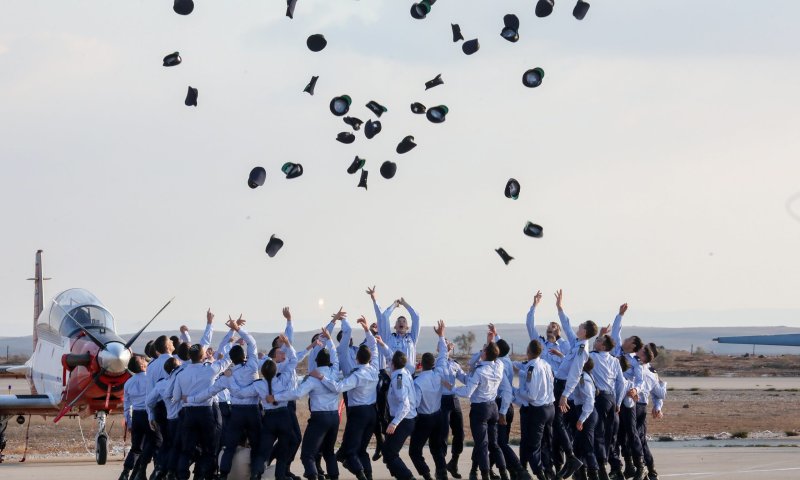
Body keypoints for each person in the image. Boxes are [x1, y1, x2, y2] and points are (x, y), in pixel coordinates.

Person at [185, 319, 260, 480]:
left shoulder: (228, 376)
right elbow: (252, 342)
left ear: (231, 360)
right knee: (256, 444)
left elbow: (209, 392)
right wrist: (238, 329)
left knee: (230, 445)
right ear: (245, 355)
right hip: (253, 410)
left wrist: (190, 398)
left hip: (237, 413)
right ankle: (254, 473)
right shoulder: (253, 365)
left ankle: (224, 474)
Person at [271, 316, 344, 480]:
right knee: (329, 452)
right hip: (334, 418)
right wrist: (331, 340)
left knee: (307, 455)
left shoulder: (313, 378)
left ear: (316, 361)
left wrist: (275, 396)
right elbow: (335, 356)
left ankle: (312, 476)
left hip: (320, 418)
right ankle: (334, 477)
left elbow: (296, 394)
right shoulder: (334, 371)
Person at [314, 316, 379, 480]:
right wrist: (364, 329)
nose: (349, 338)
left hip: (357, 405)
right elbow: (374, 348)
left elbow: (338, 387)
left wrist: (322, 378)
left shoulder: (357, 373)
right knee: (358, 446)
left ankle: (356, 468)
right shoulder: (374, 367)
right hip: (370, 408)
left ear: (358, 357)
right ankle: (349, 460)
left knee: (352, 446)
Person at [172, 322, 234, 480]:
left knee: (186, 449)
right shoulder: (210, 370)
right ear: (203, 356)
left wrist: (187, 398)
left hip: (188, 413)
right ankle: (200, 476)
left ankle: (181, 475)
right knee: (209, 449)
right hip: (206, 412)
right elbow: (227, 359)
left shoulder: (181, 374)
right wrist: (233, 333)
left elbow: (175, 397)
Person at [552, 290, 598, 480]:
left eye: (581, 327)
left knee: (557, 421)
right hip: (560, 384)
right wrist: (560, 308)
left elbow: (575, 373)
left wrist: (565, 394)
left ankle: (572, 459)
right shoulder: (577, 343)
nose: (577, 328)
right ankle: (572, 460)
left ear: (585, 331)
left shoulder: (582, 349)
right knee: (558, 423)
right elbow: (567, 327)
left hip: (564, 386)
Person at [445, 338, 505, 480]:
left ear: (485, 354)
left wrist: (452, 388)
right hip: (493, 408)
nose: (480, 351)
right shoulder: (499, 365)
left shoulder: (480, 371)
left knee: (482, 445)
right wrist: (489, 346)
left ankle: (484, 475)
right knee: (494, 444)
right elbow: (492, 357)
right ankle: (504, 473)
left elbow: (467, 392)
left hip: (480, 410)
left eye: (483, 350)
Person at [235, 358, 299, 480]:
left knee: (263, 450)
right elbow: (292, 362)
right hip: (284, 416)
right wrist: (287, 345)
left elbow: (241, 393)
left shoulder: (258, 384)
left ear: (262, 372)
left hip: (269, 418)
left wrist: (231, 379)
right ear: (275, 371)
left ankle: (255, 473)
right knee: (283, 449)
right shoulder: (283, 380)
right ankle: (280, 476)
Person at [604, 304, 646, 480]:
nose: (624, 340)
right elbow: (615, 332)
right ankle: (617, 468)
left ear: (634, 344)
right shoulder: (615, 351)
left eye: (628, 339)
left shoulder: (636, 361)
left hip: (627, 402)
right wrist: (619, 315)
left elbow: (641, 380)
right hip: (613, 400)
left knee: (631, 434)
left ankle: (639, 465)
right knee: (613, 435)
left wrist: (635, 389)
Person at [409, 324, 448, 480]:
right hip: (438, 416)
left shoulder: (418, 382)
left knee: (414, 451)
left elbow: (416, 403)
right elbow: (444, 355)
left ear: (421, 364)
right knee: (436, 448)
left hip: (424, 419)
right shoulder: (438, 374)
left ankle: (426, 474)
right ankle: (442, 472)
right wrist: (441, 335)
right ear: (433, 363)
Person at [515, 340, 555, 480]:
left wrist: (517, 392)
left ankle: (540, 474)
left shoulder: (532, 368)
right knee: (546, 443)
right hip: (550, 407)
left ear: (529, 352)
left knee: (533, 445)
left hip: (539, 410)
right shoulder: (545, 364)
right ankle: (549, 471)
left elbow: (531, 396)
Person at [589, 334, 626, 480]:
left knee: (598, 433)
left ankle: (601, 467)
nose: (595, 342)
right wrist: (618, 402)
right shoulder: (614, 360)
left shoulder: (594, 356)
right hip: (611, 398)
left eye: (598, 341)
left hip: (600, 398)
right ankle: (615, 468)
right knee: (609, 435)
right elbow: (621, 383)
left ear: (603, 346)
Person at [435, 321, 467, 479]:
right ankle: (440, 468)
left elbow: (465, 378)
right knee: (443, 435)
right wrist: (442, 343)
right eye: (443, 343)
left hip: (454, 400)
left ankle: (453, 462)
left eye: (448, 342)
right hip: (441, 401)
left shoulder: (454, 364)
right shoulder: (437, 363)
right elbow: (436, 375)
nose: (447, 345)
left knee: (460, 433)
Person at [120, 355, 158, 480]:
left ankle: (125, 472)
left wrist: (129, 423)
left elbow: (126, 406)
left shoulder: (128, 383)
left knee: (135, 448)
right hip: (148, 414)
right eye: (143, 360)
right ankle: (146, 470)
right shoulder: (150, 379)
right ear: (142, 365)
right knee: (156, 442)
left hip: (136, 416)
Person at [382, 350, 418, 480]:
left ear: (392, 364)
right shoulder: (405, 372)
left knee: (390, 453)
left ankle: (408, 477)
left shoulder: (398, 379)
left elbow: (405, 404)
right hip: (406, 418)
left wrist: (394, 423)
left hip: (403, 420)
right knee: (386, 451)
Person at [146, 356, 182, 480]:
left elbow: (149, 401)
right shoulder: (182, 381)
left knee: (167, 444)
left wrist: (151, 416)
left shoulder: (161, 384)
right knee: (180, 447)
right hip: (181, 420)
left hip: (170, 419)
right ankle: (172, 473)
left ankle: (159, 470)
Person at [572, 358, 599, 480]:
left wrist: (581, 419)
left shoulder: (584, 377)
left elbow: (589, 400)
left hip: (586, 413)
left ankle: (594, 474)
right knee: (577, 446)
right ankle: (580, 474)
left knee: (588, 446)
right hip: (584, 412)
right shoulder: (585, 375)